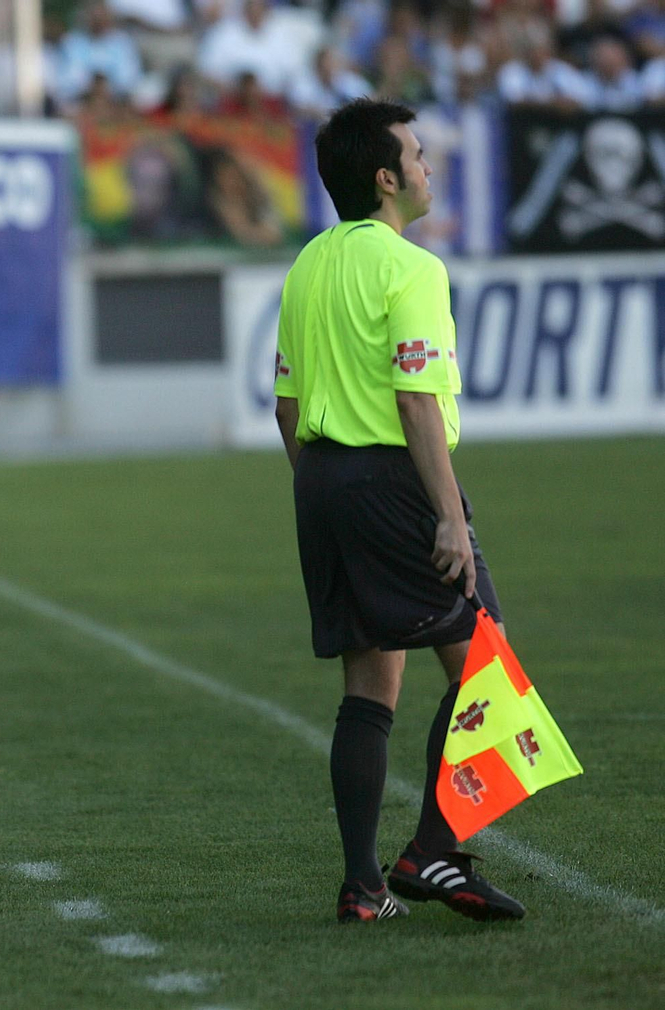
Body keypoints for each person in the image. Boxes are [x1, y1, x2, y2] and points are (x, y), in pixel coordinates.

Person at [273, 99, 527, 924]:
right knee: (485, 664)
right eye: (418, 154)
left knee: (370, 681)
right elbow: (419, 404)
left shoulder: (308, 263)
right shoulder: (413, 269)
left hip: (322, 480)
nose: (428, 166)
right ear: (386, 179)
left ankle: (363, 887)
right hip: (395, 484)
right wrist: (448, 517)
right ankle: (433, 852)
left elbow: (285, 401)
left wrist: (324, 491)